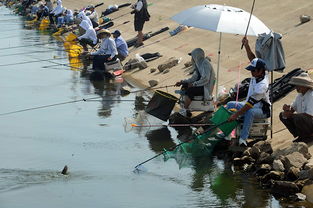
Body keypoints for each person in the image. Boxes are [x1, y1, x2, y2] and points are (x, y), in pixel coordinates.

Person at [223, 58, 271, 146]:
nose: (252, 72)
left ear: (261, 70)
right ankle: (227, 134)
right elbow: (253, 58)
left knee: (249, 112)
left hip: (262, 109)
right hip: (248, 103)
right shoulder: (258, 75)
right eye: (251, 70)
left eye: (253, 70)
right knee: (230, 104)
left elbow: (249, 105)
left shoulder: (262, 86)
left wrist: (236, 115)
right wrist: (246, 46)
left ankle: (243, 139)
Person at [175, 48, 216, 117]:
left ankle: (185, 110)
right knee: (185, 86)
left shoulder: (205, 63)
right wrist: (182, 82)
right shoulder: (198, 64)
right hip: (201, 85)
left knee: (190, 90)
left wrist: (194, 84)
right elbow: (193, 78)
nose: (192, 58)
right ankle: (187, 109)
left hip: (206, 87)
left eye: (193, 56)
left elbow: (206, 78)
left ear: (197, 56)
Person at [280, 73, 313, 143]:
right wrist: (287, 110)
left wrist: (292, 115)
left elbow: (310, 115)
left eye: (298, 85)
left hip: (310, 121)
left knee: (297, 117)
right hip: (305, 121)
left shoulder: (311, 95)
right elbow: (293, 108)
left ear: (305, 86)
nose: (296, 87)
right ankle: (301, 135)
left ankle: (309, 136)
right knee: (282, 115)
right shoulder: (299, 95)